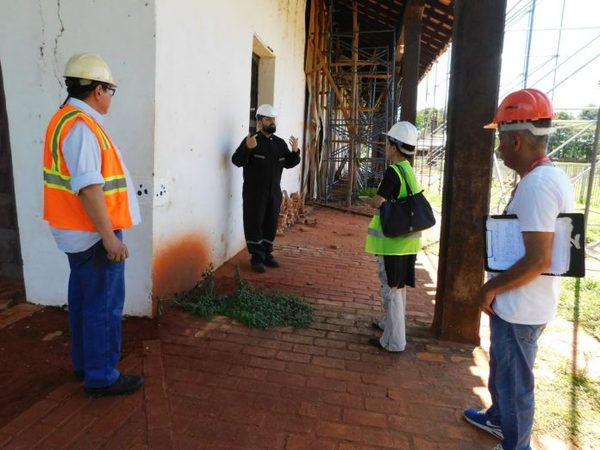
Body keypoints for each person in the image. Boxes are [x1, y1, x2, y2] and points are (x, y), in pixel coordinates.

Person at [463, 88, 574, 450]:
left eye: (500, 137)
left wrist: (488, 289)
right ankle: (498, 419)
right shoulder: (547, 177)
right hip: (521, 303)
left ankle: (517, 445)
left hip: (521, 307)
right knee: (503, 372)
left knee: (515, 386)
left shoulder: (538, 186)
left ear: (515, 140)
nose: (497, 146)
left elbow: (538, 259)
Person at [42, 53, 144, 397]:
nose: (111, 97)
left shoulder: (64, 119)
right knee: (103, 305)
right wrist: (109, 239)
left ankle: (86, 364)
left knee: (86, 301)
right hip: (93, 235)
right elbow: (88, 187)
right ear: (98, 89)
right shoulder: (82, 128)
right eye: (110, 90)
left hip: (76, 233)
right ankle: (102, 376)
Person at [364, 121, 422, 352]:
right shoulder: (408, 171)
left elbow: (378, 201)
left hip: (393, 242)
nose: (386, 146)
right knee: (397, 288)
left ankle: (394, 342)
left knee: (392, 290)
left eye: (388, 143)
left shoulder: (393, 171)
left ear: (395, 147)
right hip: (407, 241)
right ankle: (387, 326)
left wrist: (367, 200)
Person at [232, 104, 301, 273]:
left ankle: (267, 253)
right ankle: (256, 257)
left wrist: (295, 151)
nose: (272, 122)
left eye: (273, 119)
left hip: (274, 191)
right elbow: (237, 161)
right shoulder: (251, 139)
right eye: (268, 119)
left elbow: (289, 163)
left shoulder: (279, 143)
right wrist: (248, 148)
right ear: (259, 121)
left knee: (271, 221)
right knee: (254, 222)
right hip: (254, 192)